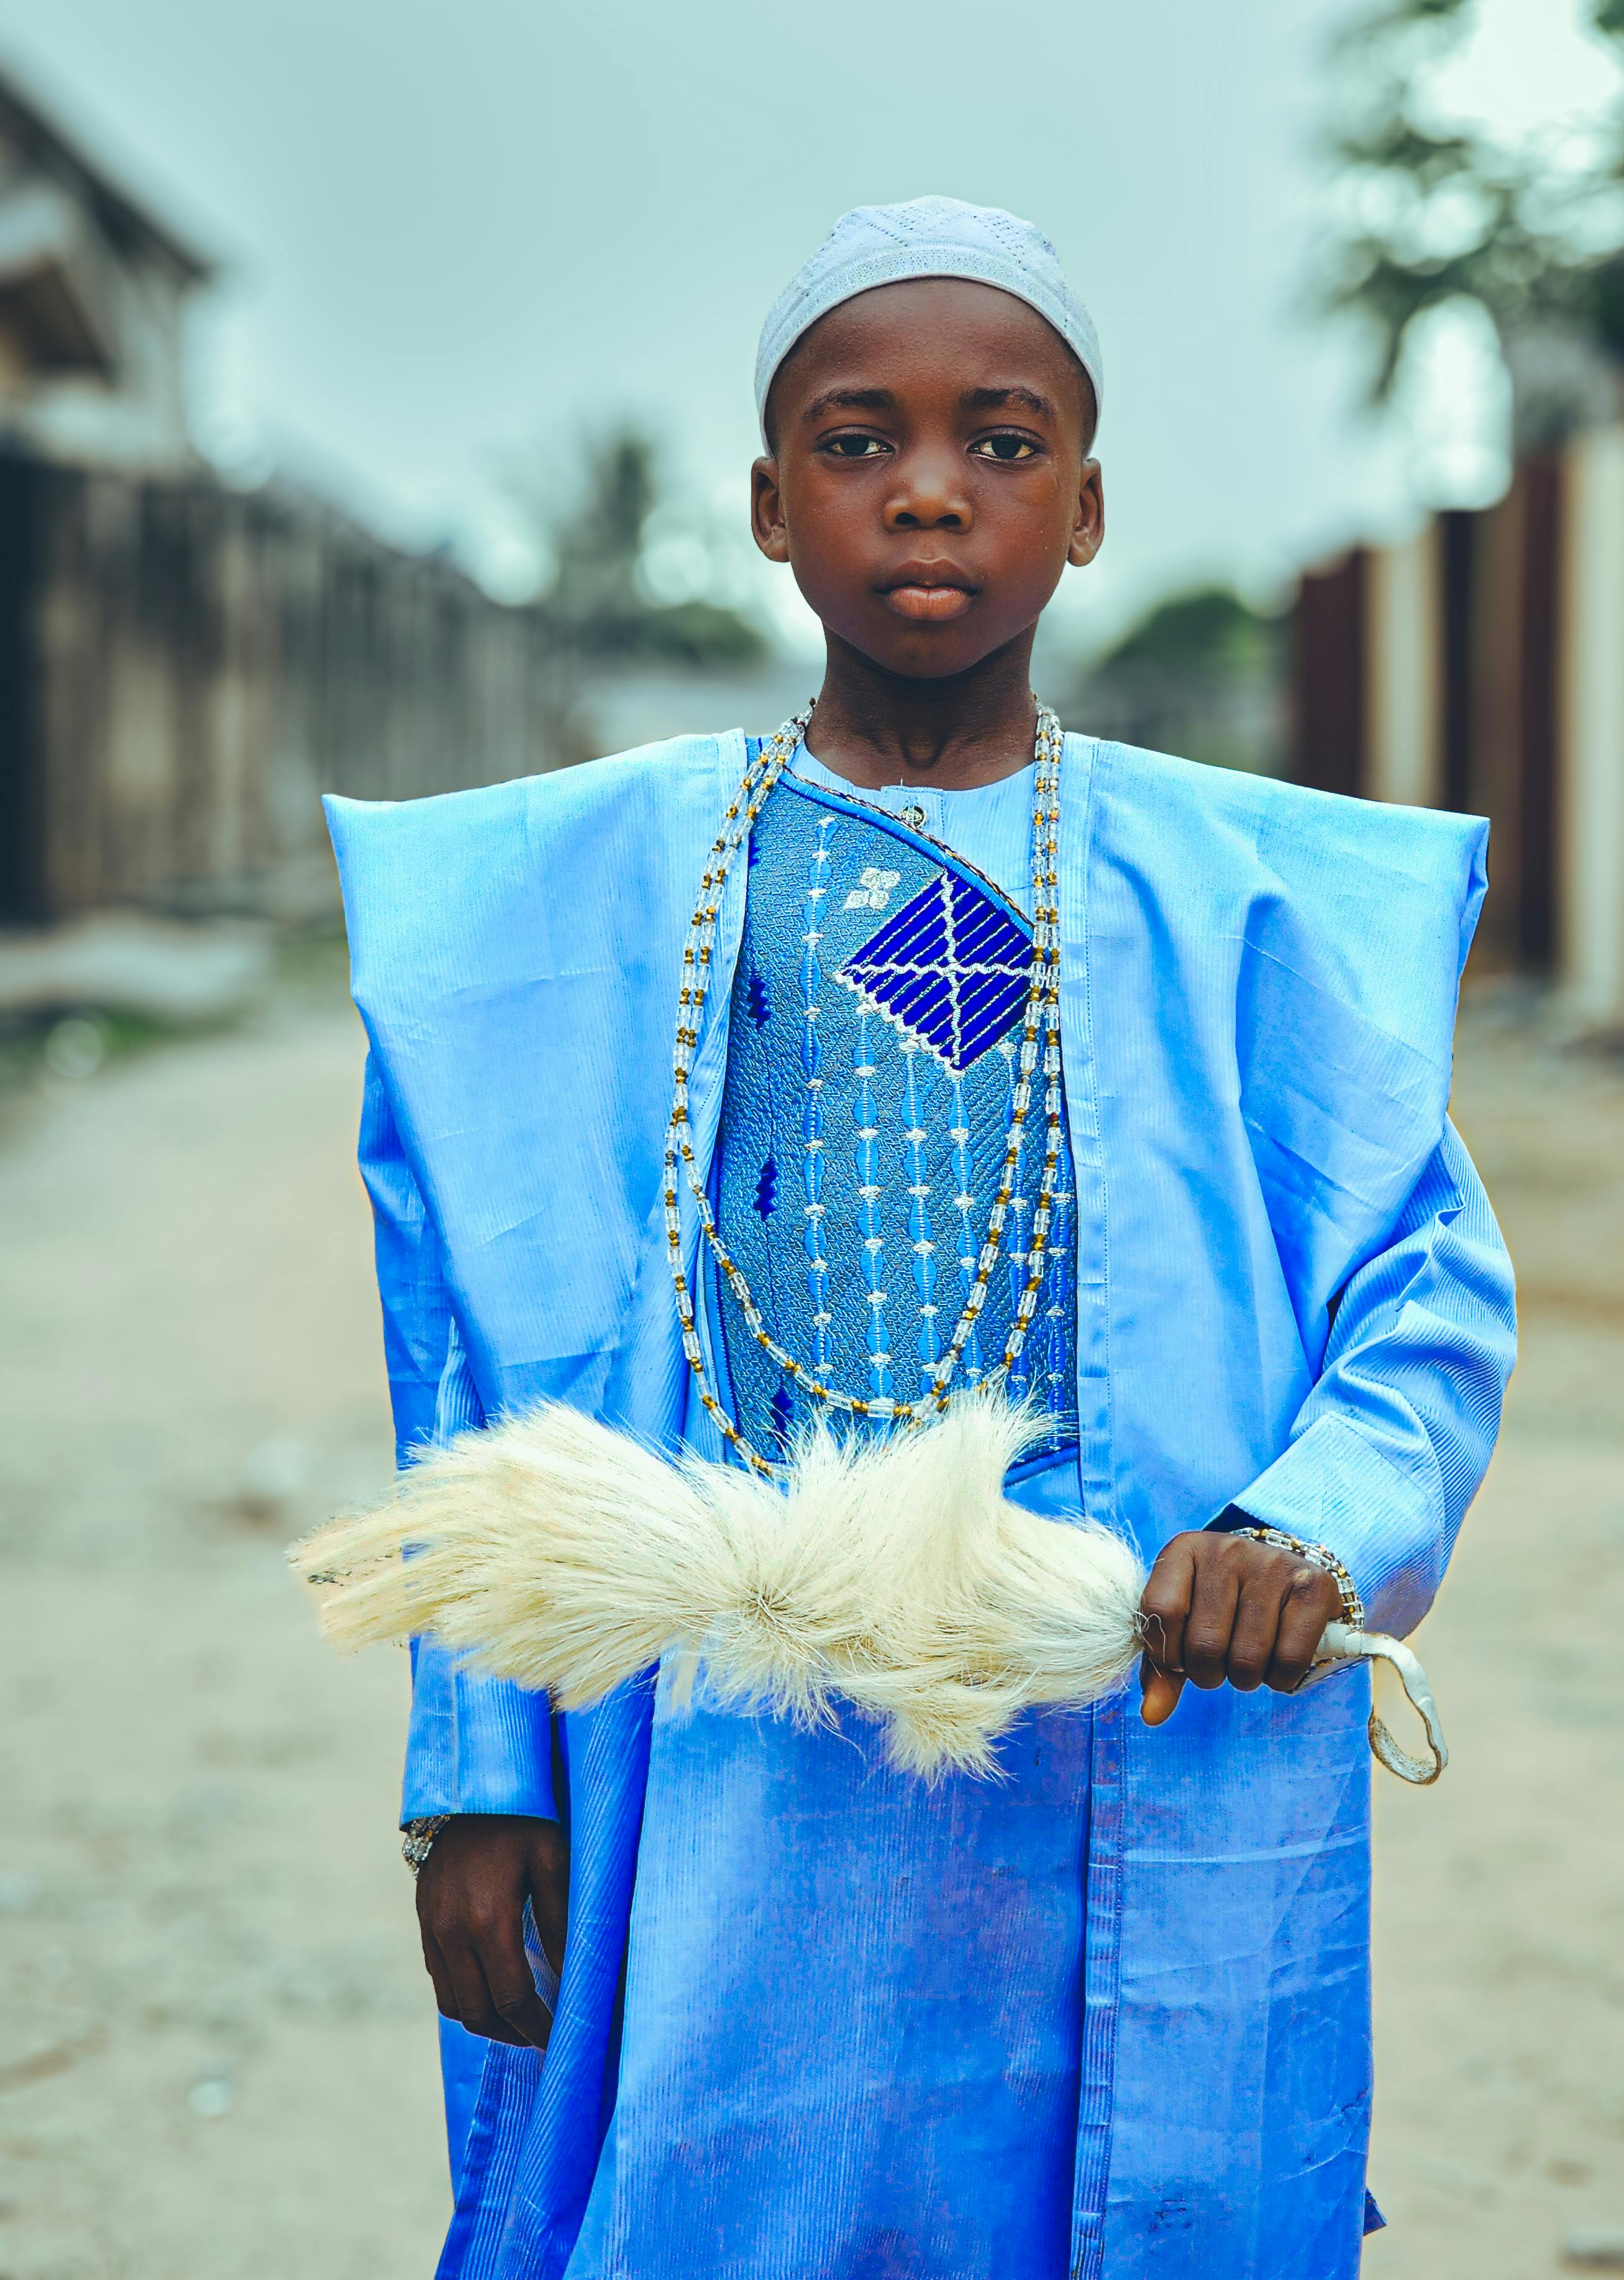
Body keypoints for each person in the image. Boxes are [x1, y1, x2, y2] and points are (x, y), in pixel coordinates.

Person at [325, 196, 1515, 2279]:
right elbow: (471, 1360)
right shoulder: (595, 880)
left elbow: (1423, 1281)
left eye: (1009, 437)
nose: (936, 493)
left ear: (1091, 505)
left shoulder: (1242, 894)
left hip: (1118, 1707)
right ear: (771, 509)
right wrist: (474, 1768)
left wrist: (1295, 1526)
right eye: (862, 443)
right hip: (727, 1744)